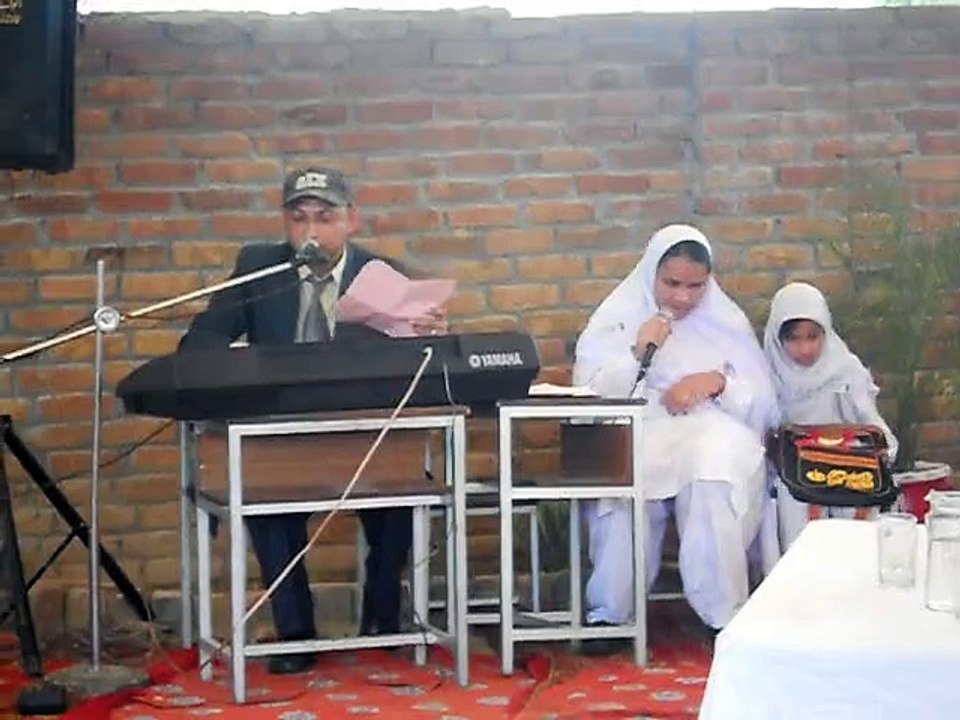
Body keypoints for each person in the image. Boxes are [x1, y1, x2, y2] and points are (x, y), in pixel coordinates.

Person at [179, 167, 445, 674]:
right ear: (285, 224)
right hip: (282, 435)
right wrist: (238, 363)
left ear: (352, 221)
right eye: (299, 219)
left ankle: (382, 622)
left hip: (361, 434)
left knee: (401, 491)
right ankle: (295, 634)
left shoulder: (382, 275)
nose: (311, 232)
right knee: (264, 495)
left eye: (325, 218)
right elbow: (200, 343)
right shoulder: (258, 269)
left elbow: (422, 358)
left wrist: (423, 331)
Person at [572, 223, 778, 640]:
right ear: (651, 272)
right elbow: (588, 397)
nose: (683, 297)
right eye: (672, 283)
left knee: (714, 472)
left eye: (695, 286)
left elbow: (765, 404)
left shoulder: (724, 319)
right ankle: (612, 615)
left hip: (706, 426)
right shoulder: (618, 316)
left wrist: (717, 384)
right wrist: (638, 352)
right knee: (622, 478)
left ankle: (722, 615)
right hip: (636, 426)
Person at [763, 281, 898, 550]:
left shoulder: (845, 371)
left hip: (846, 467)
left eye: (813, 337)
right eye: (793, 338)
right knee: (790, 503)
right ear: (777, 339)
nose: (805, 349)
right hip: (792, 475)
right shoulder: (767, 375)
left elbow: (872, 428)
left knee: (859, 503)